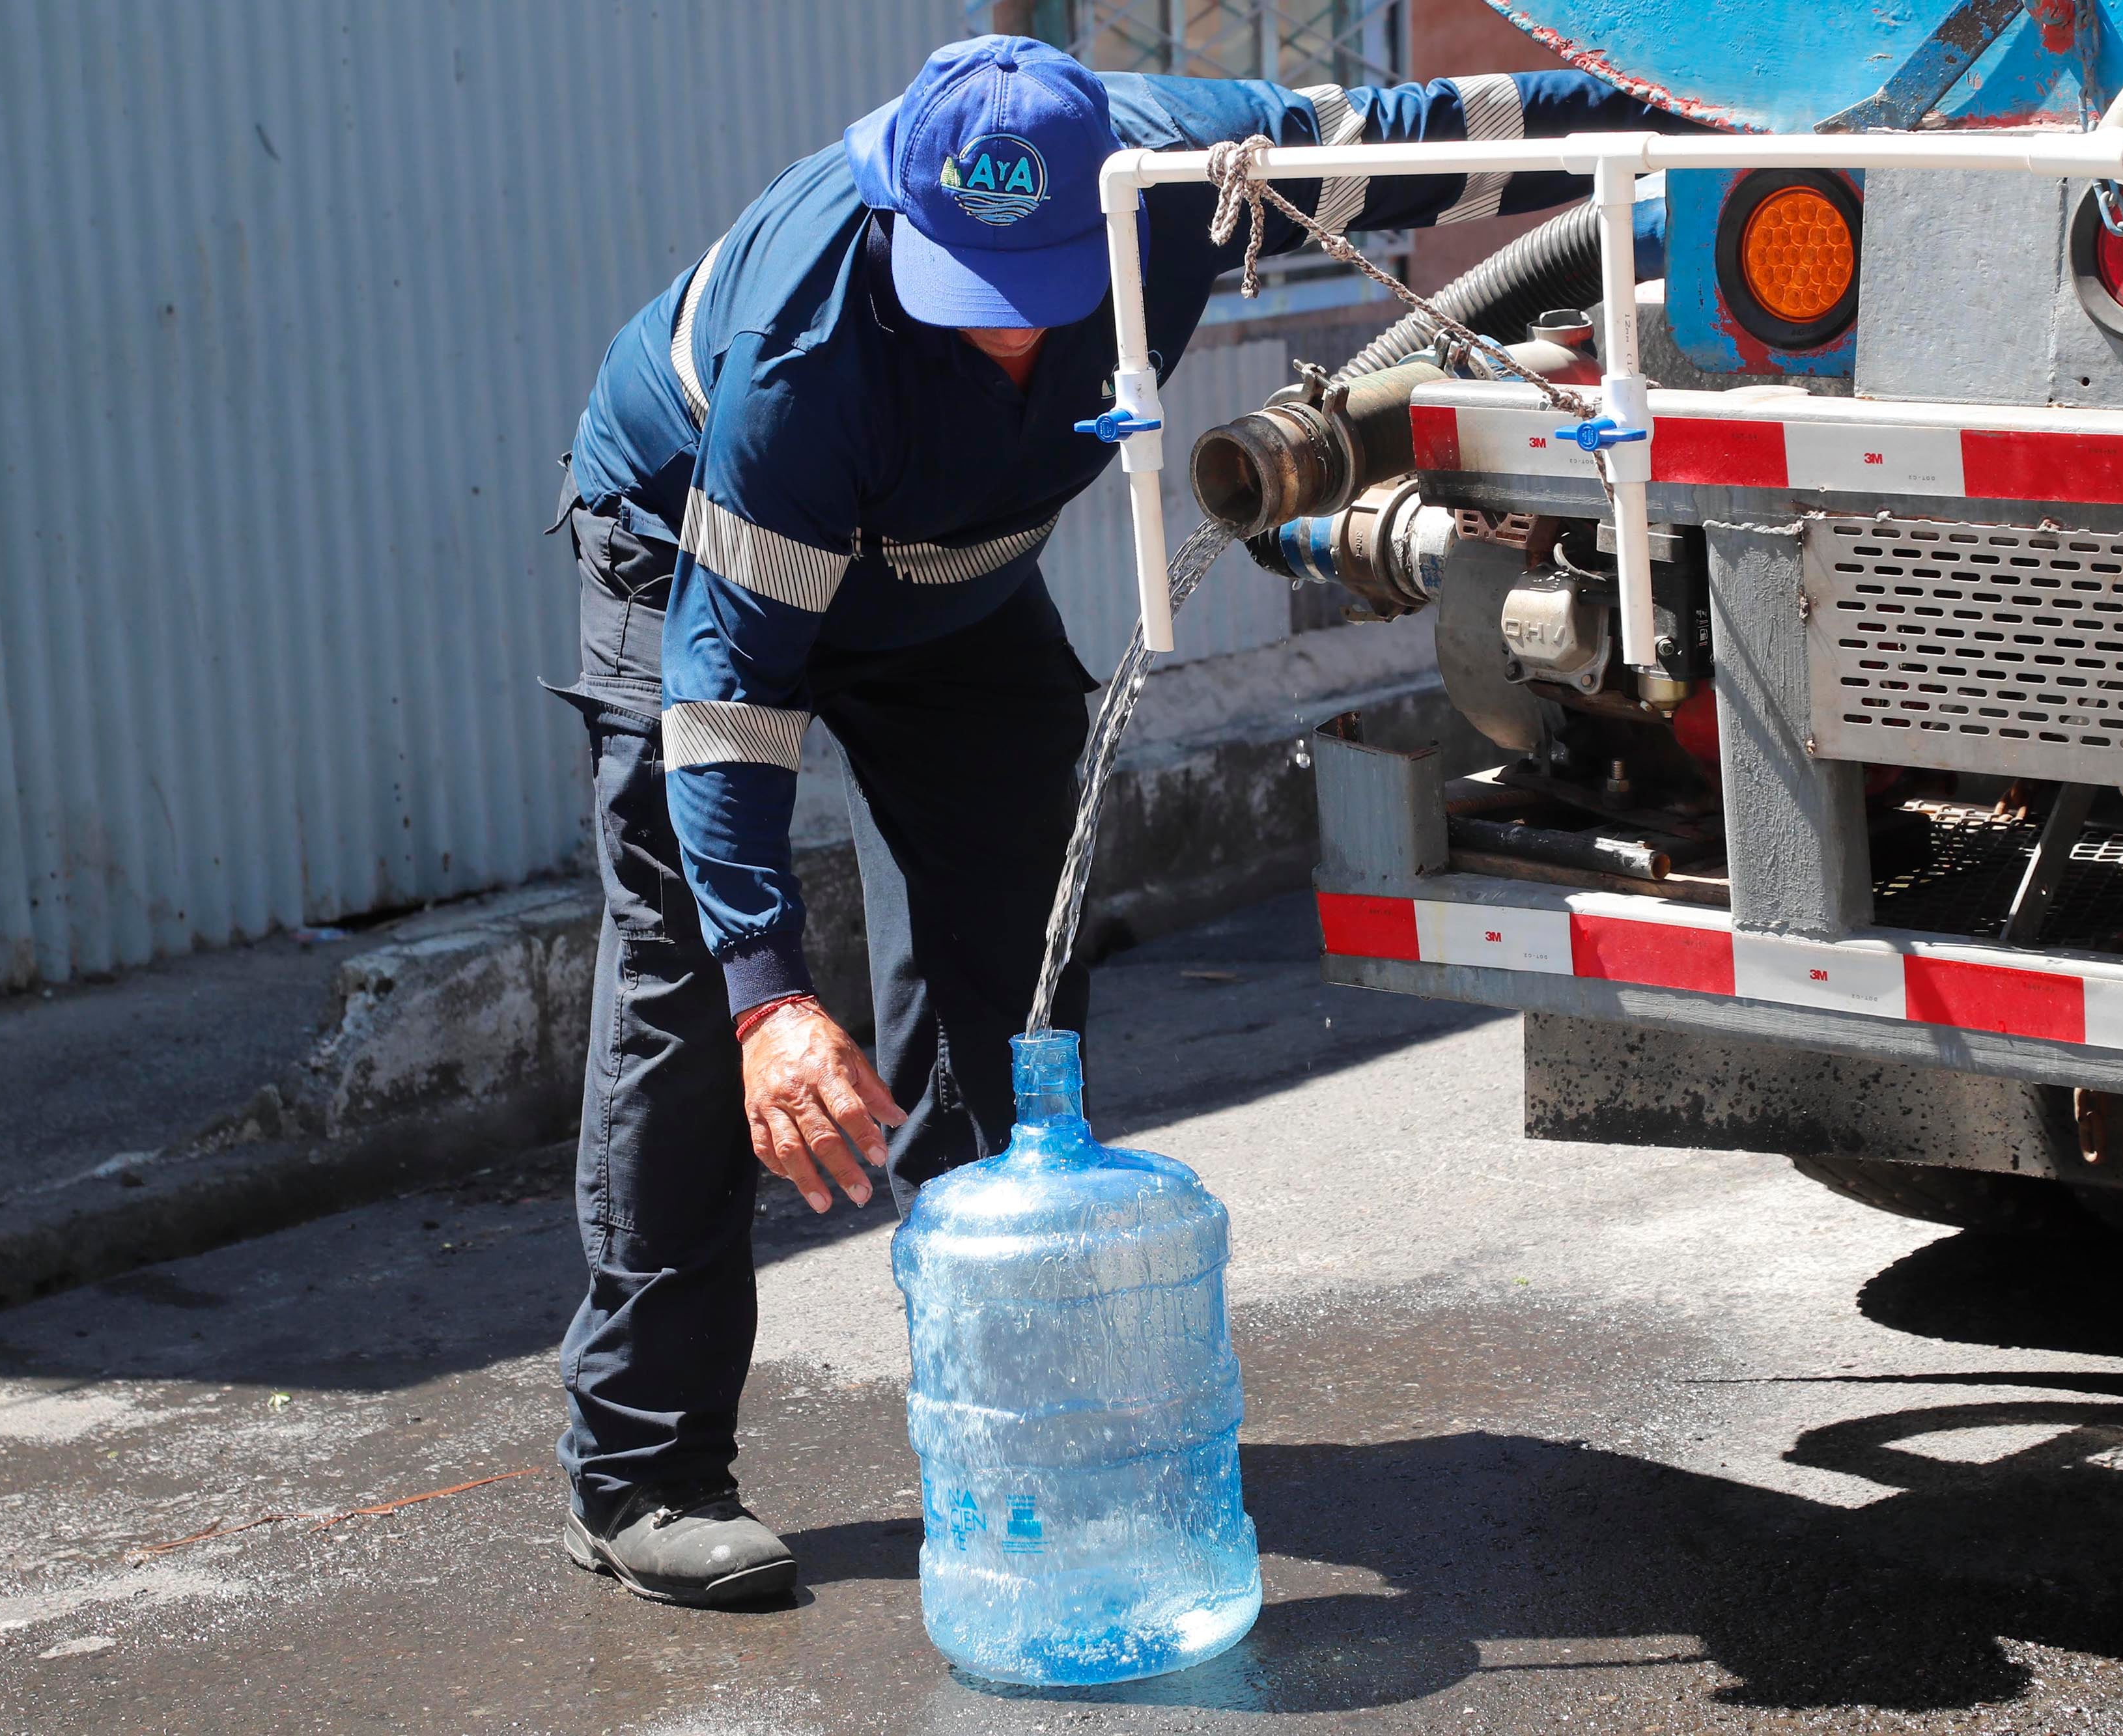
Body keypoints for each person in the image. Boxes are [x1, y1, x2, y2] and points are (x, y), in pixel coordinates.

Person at [550, 33, 1688, 1608]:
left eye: (1037, 282)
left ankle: (998, 1419)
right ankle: (643, 1473)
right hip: (693, 557)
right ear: (893, 212)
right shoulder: (803, 351)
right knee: (698, 1009)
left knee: (1011, 980)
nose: (1013, 331)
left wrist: (1676, 134)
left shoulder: (1182, 174)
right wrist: (770, 995)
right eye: (972, 288)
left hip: (952, 588)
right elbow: (728, 697)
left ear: (1112, 198)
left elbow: (1438, 134)